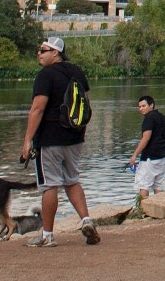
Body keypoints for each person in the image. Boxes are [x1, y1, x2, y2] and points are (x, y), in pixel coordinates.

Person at [19, 36, 100, 247]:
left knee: (49, 186)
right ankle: (86, 220)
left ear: (55, 53)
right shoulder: (76, 71)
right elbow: (85, 99)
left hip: (50, 138)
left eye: (43, 50)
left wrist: (27, 141)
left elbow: (37, 109)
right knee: (72, 180)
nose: (39, 53)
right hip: (75, 136)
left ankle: (47, 235)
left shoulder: (45, 75)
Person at [129, 95, 165, 198]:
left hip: (149, 158)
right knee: (158, 186)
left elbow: (146, 138)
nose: (141, 109)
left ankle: (143, 210)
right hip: (162, 158)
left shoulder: (149, 118)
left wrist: (135, 155)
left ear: (151, 105)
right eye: (139, 107)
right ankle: (160, 208)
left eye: (143, 106)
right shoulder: (163, 117)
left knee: (144, 185)